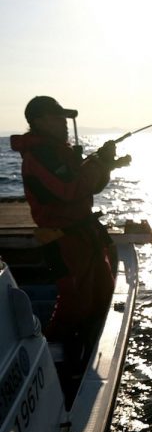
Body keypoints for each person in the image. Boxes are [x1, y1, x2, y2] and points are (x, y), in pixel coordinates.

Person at [10, 95, 131, 347]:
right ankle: (51, 354)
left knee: (102, 294)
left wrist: (106, 165)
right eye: (57, 117)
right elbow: (69, 189)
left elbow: (91, 187)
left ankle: (89, 347)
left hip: (85, 236)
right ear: (38, 121)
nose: (63, 123)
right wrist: (99, 163)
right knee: (74, 303)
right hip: (61, 242)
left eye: (64, 118)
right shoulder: (39, 155)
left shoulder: (60, 152)